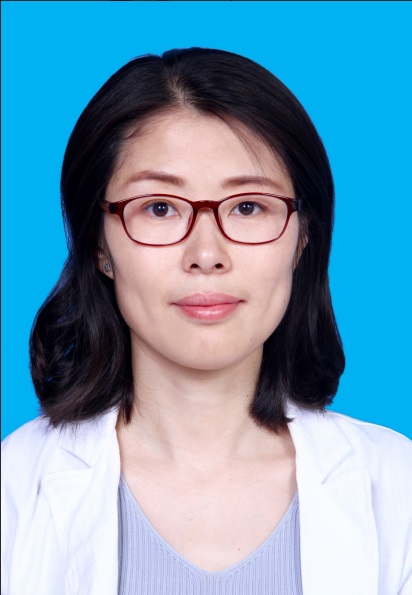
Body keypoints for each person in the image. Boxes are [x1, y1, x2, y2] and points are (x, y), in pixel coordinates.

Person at [1, 47, 411, 595]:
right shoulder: (14, 491)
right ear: (99, 244)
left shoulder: (398, 490)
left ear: (302, 239)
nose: (207, 254)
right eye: (160, 208)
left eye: (247, 206)